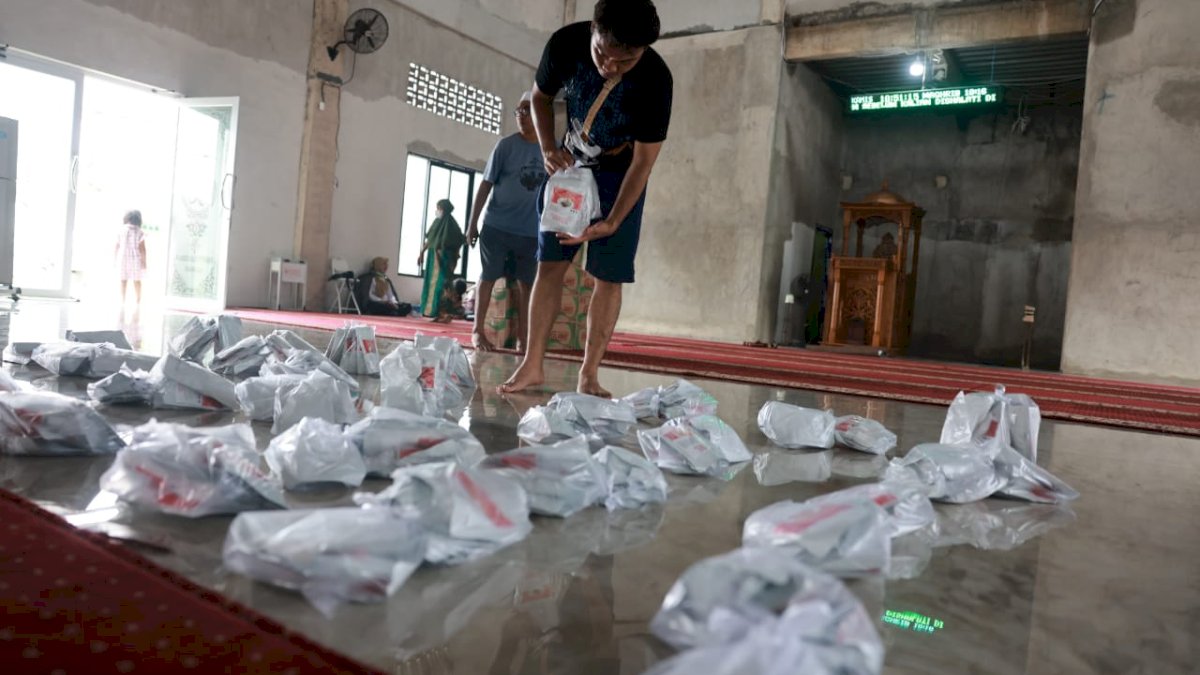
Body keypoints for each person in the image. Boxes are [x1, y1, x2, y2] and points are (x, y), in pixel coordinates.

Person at [500, 0, 673, 397]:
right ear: (592, 30)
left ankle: (589, 374)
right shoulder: (565, 43)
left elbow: (644, 162)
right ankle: (532, 366)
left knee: (609, 277)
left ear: (643, 51)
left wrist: (613, 220)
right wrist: (546, 148)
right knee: (550, 264)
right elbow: (540, 97)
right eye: (602, 54)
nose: (610, 66)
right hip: (570, 167)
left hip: (619, 174)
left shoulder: (656, 80)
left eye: (624, 61)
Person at [467, 91, 546, 352]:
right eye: (518, 111)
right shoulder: (506, 146)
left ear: (539, 114)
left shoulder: (550, 149)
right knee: (488, 276)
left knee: (527, 284)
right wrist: (472, 222)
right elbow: (485, 184)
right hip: (497, 227)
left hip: (531, 233)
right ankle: (477, 332)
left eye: (527, 110)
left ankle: (524, 338)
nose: (521, 116)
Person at [419, 199, 467, 320]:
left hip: (443, 259)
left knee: (442, 285)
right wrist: (421, 253)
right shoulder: (436, 223)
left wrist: (452, 258)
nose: (437, 211)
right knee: (431, 285)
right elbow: (430, 240)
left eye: (439, 208)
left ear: (444, 209)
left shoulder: (452, 225)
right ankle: (430, 311)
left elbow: (458, 242)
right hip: (432, 257)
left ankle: (440, 312)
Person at [114, 210, 147, 309]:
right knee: (137, 280)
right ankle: (138, 301)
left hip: (123, 257)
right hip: (135, 258)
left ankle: (122, 301)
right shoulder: (140, 232)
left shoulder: (121, 230)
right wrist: (144, 261)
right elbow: (142, 249)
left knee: (123, 280)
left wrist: (115, 258)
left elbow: (117, 245)